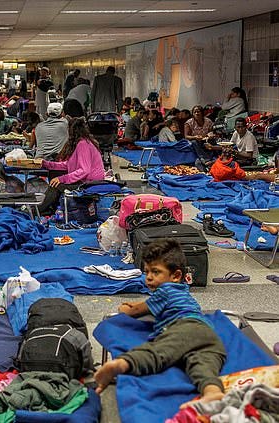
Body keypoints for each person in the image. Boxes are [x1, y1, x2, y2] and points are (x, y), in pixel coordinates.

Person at [94, 239, 227, 409]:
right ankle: (212, 392)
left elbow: (134, 311)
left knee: (158, 352)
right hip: (208, 334)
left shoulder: (165, 291)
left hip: (183, 328)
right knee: (203, 363)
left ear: (176, 276)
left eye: (155, 272)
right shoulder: (181, 289)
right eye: (146, 272)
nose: (148, 277)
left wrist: (123, 308)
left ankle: (123, 364)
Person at [37, 118, 106, 215]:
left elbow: (84, 170)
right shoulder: (83, 143)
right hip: (87, 181)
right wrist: (47, 164)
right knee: (56, 180)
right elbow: (67, 165)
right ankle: (47, 208)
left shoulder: (83, 144)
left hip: (90, 184)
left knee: (56, 186)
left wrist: (62, 179)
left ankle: (38, 209)